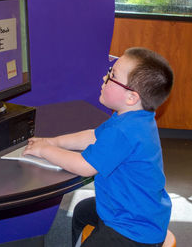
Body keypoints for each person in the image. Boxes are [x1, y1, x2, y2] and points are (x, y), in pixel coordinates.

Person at [23, 47, 174, 246]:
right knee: (83, 211)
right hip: (135, 211)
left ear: (131, 97)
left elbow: (84, 165)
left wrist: (45, 150)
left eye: (112, 75)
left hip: (132, 230)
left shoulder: (125, 131)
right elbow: (93, 136)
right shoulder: (132, 118)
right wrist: (54, 141)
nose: (105, 77)